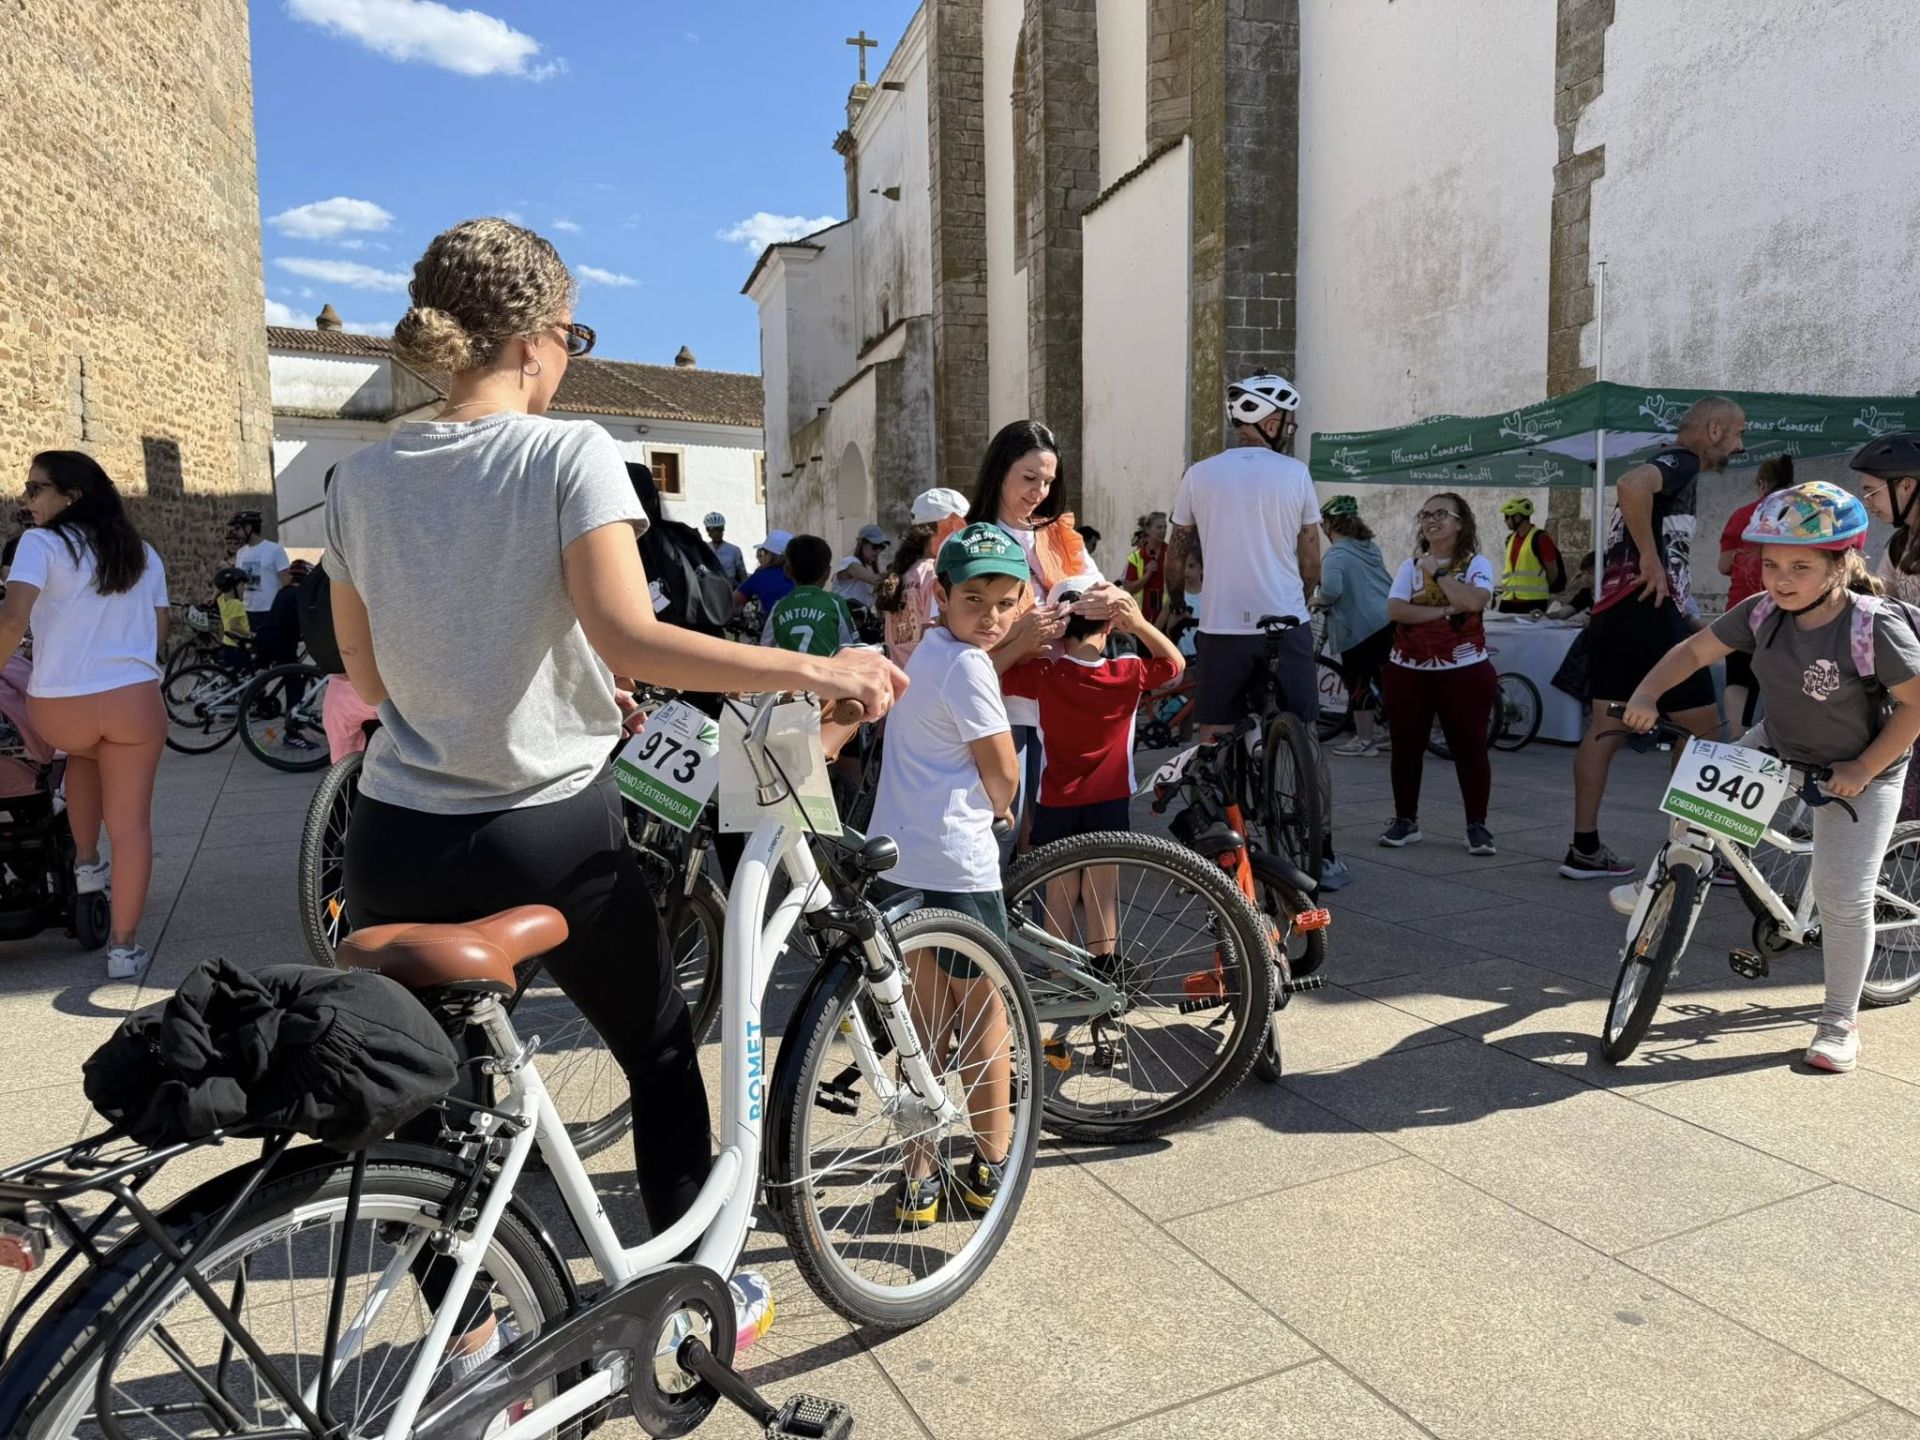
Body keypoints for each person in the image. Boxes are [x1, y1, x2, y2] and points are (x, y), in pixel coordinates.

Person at [324, 217, 904, 1358]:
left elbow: (368, 673)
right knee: (653, 1051)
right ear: (541, 338)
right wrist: (817, 666)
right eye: (573, 338)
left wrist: (538, 677)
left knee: (438, 1102)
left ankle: (476, 1334)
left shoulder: (360, 475)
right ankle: (697, 1302)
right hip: (543, 826)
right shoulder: (564, 452)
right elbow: (634, 638)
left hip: (392, 828)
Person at [1616, 481, 1920, 1072]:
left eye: (1801, 566)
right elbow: (1691, 652)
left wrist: (1863, 767)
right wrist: (1647, 692)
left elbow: (1917, 705)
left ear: (1842, 563)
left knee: (1842, 897)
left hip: (1865, 766)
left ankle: (1838, 1021)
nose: (1780, 578)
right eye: (1771, 563)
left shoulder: (1871, 626)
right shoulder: (1760, 612)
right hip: (1779, 744)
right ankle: (1669, 875)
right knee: (1697, 807)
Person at [865, 523, 1025, 1226]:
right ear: (944, 595)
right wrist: (1006, 806)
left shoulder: (927, 651)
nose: (989, 617)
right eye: (974, 599)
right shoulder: (971, 667)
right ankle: (991, 1165)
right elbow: (1001, 769)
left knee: (921, 1025)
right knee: (987, 1023)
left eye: (1004, 601)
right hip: (958, 869)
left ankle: (919, 1179)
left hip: (902, 859)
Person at [1561, 396, 1746, 881]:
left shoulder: (1680, 469)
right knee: (1705, 733)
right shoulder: (1682, 461)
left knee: (1606, 729)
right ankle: (1692, 855)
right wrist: (1649, 558)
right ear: (1713, 430)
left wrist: (1685, 613)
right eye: (1736, 434)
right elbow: (1630, 483)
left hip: (1619, 616)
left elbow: (1670, 555)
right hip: (1645, 614)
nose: (1739, 445)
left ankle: (1584, 848)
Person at [0, 452, 169, 979]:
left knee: (83, 754)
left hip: (60, 705)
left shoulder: (40, 545)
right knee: (133, 826)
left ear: (71, 497)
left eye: (35, 489)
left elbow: (11, 620)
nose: (27, 501)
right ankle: (124, 950)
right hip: (133, 702)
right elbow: (161, 634)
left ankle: (86, 865)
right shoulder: (141, 553)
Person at [963, 419, 1119, 832]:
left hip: (1062, 702)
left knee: (1053, 834)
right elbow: (960, 639)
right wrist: (1020, 637)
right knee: (999, 826)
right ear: (999, 471)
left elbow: (1103, 589)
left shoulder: (1060, 535)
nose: (1039, 492)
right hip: (1001, 702)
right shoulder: (971, 540)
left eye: (1048, 482)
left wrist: (1102, 600)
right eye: (1029, 477)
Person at [1161, 374, 1321, 735]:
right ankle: (1306, 778)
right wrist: (1303, 595)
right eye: (1287, 422)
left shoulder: (1198, 474)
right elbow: (1311, 556)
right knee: (1302, 724)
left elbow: (1176, 555)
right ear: (1270, 423)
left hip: (1223, 624)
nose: (1289, 429)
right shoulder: (1297, 473)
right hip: (1287, 620)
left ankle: (1216, 782)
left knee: (1215, 728)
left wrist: (1177, 603)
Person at [1377, 493, 1499, 855]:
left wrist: (1439, 572)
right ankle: (1405, 820)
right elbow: (1397, 610)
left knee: (1470, 746)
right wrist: (1447, 609)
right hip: (1407, 668)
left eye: (1441, 513)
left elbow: (1475, 601)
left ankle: (1477, 825)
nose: (1431, 519)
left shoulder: (1477, 563)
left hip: (1465, 669)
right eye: (1426, 514)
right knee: (1405, 747)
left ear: (1460, 523)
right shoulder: (1408, 565)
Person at [1852, 432, 1920, 823]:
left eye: (1871, 492)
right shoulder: (1899, 544)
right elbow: (1881, 603)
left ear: (1907, 485)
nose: (1869, 504)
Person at [1716, 454, 1795, 731]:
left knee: (1738, 679)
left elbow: (1724, 565)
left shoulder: (1742, 515)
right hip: (1791, 606)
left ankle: (1739, 739)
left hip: (1743, 607)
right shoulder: (1801, 512)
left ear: (1762, 484)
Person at [1315, 495, 1393, 757]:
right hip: (1388, 620)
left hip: (1359, 627)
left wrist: (1317, 598)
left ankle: (1364, 741)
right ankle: (1392, 733)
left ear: (1328, 525)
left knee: (1359, 682)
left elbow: (1332, 590)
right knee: (1385, 681)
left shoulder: (1335, 555)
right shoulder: (1370, 547)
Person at [875, 487, 967, 668]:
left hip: (902, 684)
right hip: (929, 684)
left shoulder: (903, 572)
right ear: (945, 527)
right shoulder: (936, 573)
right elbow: (933, 638)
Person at [762, 533, 856, 655]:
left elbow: (764, 649)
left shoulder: (779, 607)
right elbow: (849, 648)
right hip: (825, 673)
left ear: (787, 571)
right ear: (827, 573)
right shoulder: (835, 603)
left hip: (789, 673)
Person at [1495, 496, 1564, 614]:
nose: (1505, 521)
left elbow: (1552, 571)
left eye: (1507, 517)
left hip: (1534, 601)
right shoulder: (1510, 539)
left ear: (1518, 517)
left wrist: (1540, 588)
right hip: (1509, 599)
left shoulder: (1541, 539)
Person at [228, 509, 291, 633]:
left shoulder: (274, 550)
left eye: (237, 528)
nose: (235, 533)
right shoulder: (241, 553)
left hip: (270, 611)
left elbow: (286, 582)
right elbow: (240, 585)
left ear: (248, 528)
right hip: (248, 610)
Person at [735, 529, 795, 616]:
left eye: (764, 552)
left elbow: (733, 602)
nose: (759, 556)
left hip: (775, 627)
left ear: (772, 555)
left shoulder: (760, 576)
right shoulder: (801, 574)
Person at [831, 523, 890, 609]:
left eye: (882, 547)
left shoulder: (868, 569)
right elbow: (875, 580)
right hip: (843, 618)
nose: (878, 551)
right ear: (862, 544)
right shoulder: (849, 563)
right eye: (875, 546)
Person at [1123, 512, 1168, 620]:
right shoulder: (1136, 557)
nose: (1163, 531)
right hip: (1141, 617)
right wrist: (1147, 575)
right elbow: (1129, 588)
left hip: (1166, 616)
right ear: (1148, 530)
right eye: (1159, 527)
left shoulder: (1170, 553)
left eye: (1165, 527)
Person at [212, 565, 253, 674]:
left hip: (227, 644)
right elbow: (233, 627)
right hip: (239, 646)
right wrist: (250, 634)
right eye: (242, 585)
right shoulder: (237, 604)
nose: (244, 588)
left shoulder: (221, 600)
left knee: (232, 675)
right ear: (232, 586)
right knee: (246, 675)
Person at [703, 511, 748, 588]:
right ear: (708, 531)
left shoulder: (734, 550)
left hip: (729, 590)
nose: (717, 533)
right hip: (709, 590)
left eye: (720, 529)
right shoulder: (703, 549)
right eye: (713, 529)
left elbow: (742, 574)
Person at [1547, 551, 1596, 620]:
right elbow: (1561, 614)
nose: (1585, 577)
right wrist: (1541, 616)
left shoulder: (1610, 595)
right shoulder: (1585, 593)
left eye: (1590, 573)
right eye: (1583, 573)